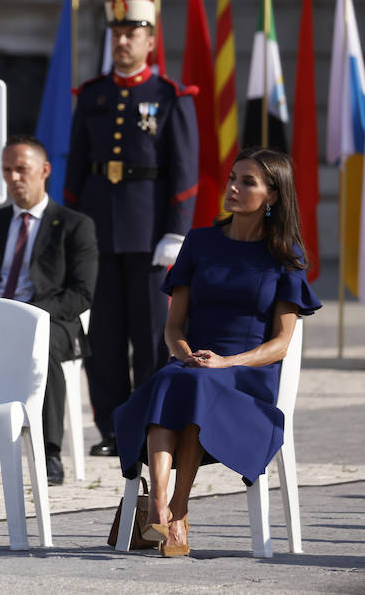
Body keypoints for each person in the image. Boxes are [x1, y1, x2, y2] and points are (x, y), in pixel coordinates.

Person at [113, 148, 320, 557]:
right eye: (232, 178)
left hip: (248, 377)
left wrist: (226, 362)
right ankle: (163, 508)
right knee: (178, 380)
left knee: (193, 385)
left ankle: (176, 511)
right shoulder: (200, 242)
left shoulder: (285, 255)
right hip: (193, 364)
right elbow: (173, 327)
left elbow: (280, 343)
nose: (233, 188)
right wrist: (186, 354)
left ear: (272, 195)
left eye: (247, 182)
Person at [64, 0, 198, 458]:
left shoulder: (169, 96)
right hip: (99, 231)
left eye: (131, 34)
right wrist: (71, 229)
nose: (122, 41)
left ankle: (151, 426)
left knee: (151, 335)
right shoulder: (93, 95)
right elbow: (76, 169)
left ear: (150, 40)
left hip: (149, 233)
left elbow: (184, 172)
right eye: (116, 33)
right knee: (103, 338)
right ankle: (113, 429)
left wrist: (176, 232)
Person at [0, 135, 99, 485]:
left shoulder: (75, 225)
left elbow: (81, 294)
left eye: (22, 169)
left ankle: (48, 453)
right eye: (7, 170)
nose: (14, 178)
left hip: (49, 322)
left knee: (40, 346)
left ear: (44, 170)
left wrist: (27, 316)